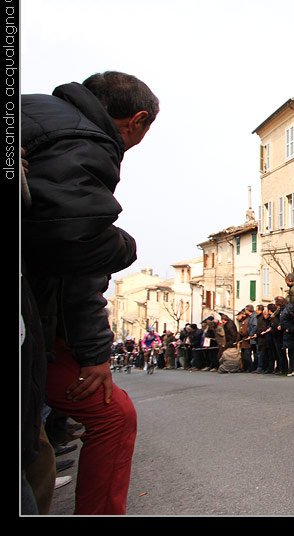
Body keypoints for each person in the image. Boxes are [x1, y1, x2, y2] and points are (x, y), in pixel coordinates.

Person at [21, 70, 157, 514]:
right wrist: (123, 246)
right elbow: (76, 249)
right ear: (137, 120)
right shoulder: (88, 139)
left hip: (37, 309)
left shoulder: (36, 111)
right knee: (113, 415)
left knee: (36, 451)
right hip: (33, 313)